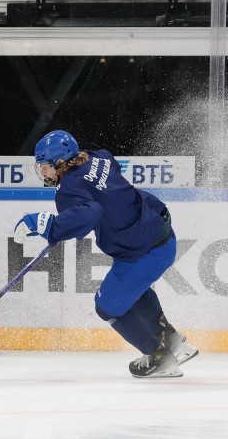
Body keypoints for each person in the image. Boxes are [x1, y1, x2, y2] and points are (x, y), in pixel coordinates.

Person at [13, 130, 199, 378]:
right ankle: (173, 340)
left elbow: (89, 213)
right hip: (162, 235)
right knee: (134, 290)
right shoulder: (96, 157)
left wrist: (48, 226)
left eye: (45, 166)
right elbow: (110, 171)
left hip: (143, 254)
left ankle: (159, 356)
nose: (43, 172)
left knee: (106, 306)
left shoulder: (69, 188)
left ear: (60, 162)